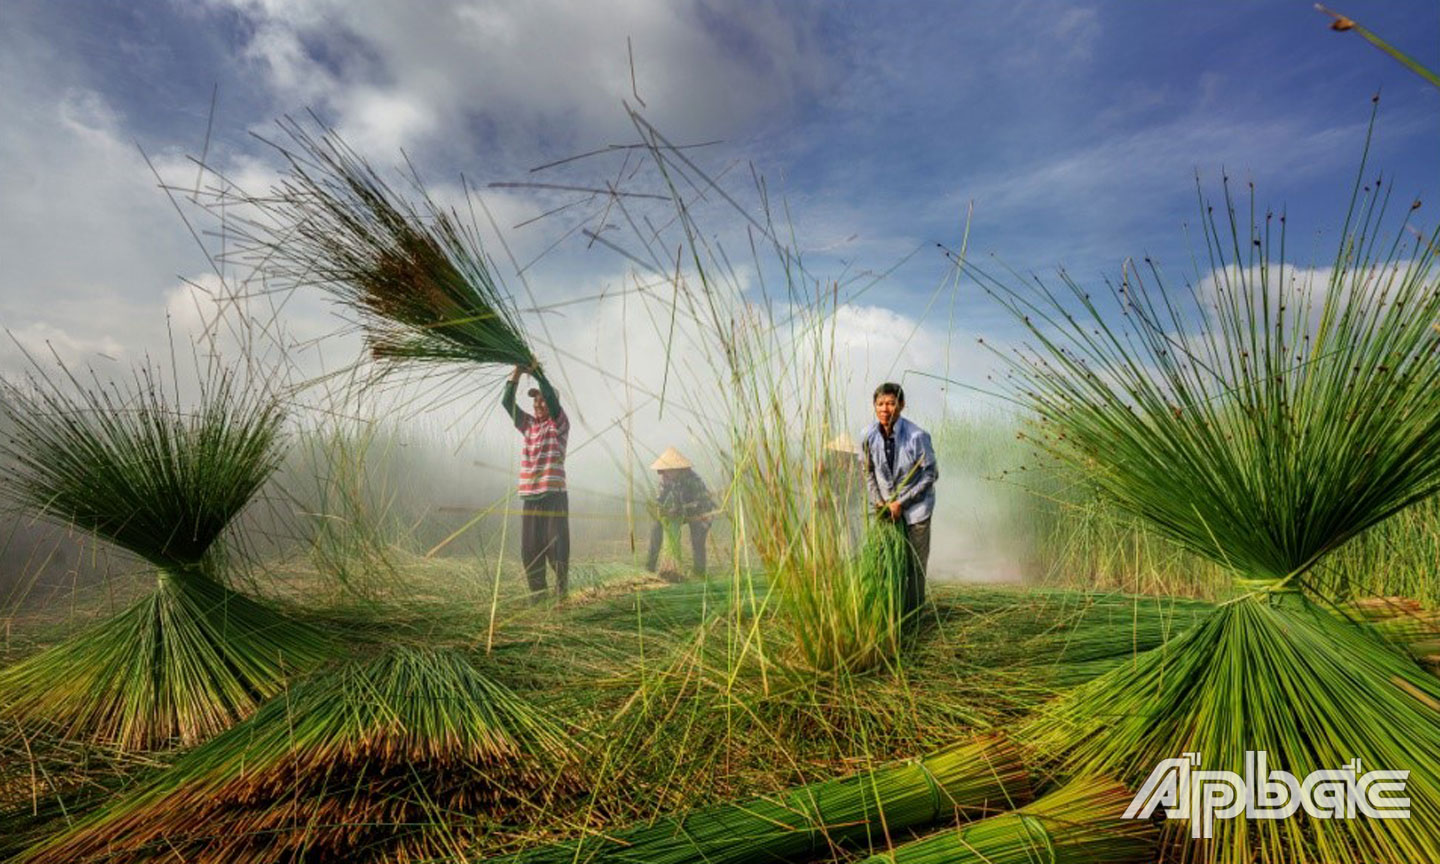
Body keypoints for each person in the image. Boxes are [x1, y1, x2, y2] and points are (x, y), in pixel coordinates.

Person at [860, 382, 939, 617]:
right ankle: (888, 610)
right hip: (885, 509)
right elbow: (867, 471)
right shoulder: (867, 435)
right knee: (883, 561)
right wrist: (879, 501)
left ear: (901, 406)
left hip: (916, 510)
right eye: (880, 404)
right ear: (874, 406)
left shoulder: (917, 436)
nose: (886, 409)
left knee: (914, 564)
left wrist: (901, 503)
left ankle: (914, 615)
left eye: (891, 403)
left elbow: (931, 474)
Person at [502, 364, 569, 601]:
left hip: (554, 495)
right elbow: (506, 403)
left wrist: (538, 373)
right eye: (535, 401)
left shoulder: (559, 425)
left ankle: (562, 593)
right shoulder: (528, 425)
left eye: (542, 400)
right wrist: (518, 373)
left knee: (556, 546)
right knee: (530, 549)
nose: (538, 404)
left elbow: (550, 397)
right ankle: (538, 595)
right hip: (531, 496)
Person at [644, 447, 715, 579]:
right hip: (678, 512)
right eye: (664, 470)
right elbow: (661, 499)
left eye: (669, 470)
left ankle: (699, 573)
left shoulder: (693, 480)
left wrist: (680, 509)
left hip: (700, 513)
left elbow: (700, 502)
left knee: (697, 540)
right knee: (656, 529)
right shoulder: (665, 480)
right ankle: (650, 567)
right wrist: (659, 509)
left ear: (678, 469)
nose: (665, 473)